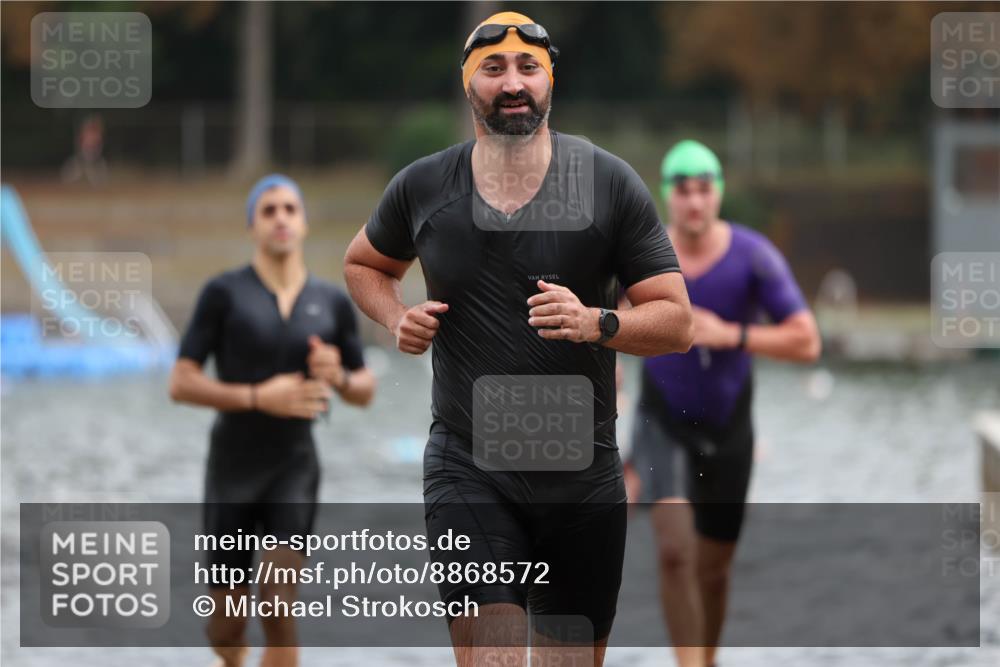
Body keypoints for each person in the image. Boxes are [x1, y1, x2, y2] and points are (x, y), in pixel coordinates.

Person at [343, 11, 692, 667]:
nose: (513, 83)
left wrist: (599, 321)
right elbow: (363, 264)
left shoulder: (607, 183)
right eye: (494, 68)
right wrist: (394, 317)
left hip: (582, 475)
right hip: (468, 466)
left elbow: (678, 321)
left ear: (550, 80)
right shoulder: (425, 186)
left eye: (528, 68)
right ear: (467, 82)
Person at [624, 140, 821, 667]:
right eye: (682, 190)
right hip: (660, 421)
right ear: (667, 196)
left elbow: (807, 341)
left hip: (729, 426)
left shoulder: (753, 257)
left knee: (712, 569)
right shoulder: (642, 256)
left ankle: (705, 660)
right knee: (672, 552)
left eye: (704, 189)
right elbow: (609, 323)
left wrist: (731, 335)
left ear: (718, 195)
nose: (693, 202)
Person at [168, 174, 375, 667]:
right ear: (252, 226)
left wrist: (340, 379)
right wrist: (261, 395)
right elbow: (181, 382)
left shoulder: (331, 303)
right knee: (227, 624)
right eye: (268, 210)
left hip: (294, 465)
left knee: (278, 600)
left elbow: (365, 388)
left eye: (289, 209)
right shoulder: (224, 293)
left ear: (303, 223)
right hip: (232, 467)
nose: (280, 218)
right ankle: (233, 658)